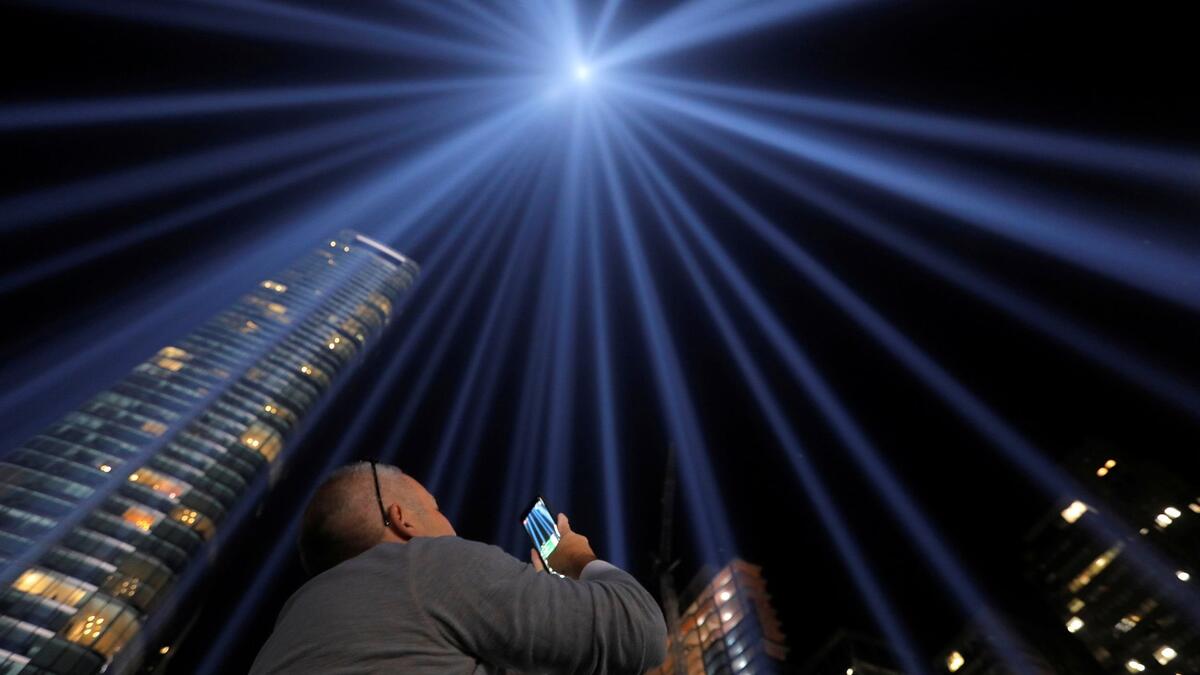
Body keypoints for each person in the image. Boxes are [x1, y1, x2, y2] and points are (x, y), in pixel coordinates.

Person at [248, 461, 668, 674]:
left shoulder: (281, 637)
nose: (448, 525)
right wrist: (575, 556)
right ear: (402, 518)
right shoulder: (425, 564)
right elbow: (640, 631)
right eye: (435, 509)